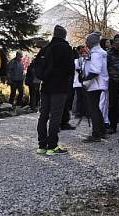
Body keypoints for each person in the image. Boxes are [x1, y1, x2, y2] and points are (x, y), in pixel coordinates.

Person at [36, 25, 75, 156]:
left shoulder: (45, 48)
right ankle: (52, 146)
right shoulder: (66, 48)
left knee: (43, 115)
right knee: (56, 116)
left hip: (45, 86)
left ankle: (41, 146)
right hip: (60, 87)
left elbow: (37, 66)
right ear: (64, 35)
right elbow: (71, 68)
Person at [81, 32, 108, 143]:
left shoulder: (96, 54)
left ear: (91, 42)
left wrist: (85, 80)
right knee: (96, 108)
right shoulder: (99, 52)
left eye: (87, 41)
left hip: (94, 84)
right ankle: (102, 131)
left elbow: (95, 71)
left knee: (93, 109)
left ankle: (96, 134)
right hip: (98, 83)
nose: (86, 43)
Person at [106, 34, 119, 134]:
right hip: (113, 81)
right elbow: (106, 67)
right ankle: (112, 125)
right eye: (116, 40)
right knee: (113, 104)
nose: (118, 42)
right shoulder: (109, 53)